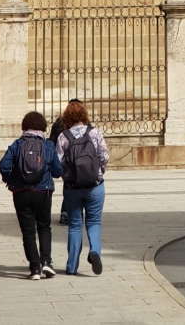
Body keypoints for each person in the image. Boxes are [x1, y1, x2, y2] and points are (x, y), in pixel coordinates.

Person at [0, 111, 64, 279]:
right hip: (43, 192)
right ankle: (47, 262)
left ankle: (34, 268)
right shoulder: (48, 145)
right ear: (43, 127)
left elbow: (4, 166)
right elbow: (57, 171)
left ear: (24, 126)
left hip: (21, 193)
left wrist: (13, 181)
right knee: (44, 226)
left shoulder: (17, 144)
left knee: (28, 231)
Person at [55, 102, 109, 275]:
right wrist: (99, 172)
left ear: (67, 118)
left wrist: (66, 177)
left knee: (75, 225)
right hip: (95, 185)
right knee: (94, 222)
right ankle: (94, 251)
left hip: (72, 187)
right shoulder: (94, 133)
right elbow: (104, 156)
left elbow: (59, 162)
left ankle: (71, 266)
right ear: (84, 116)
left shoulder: (63, 137)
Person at [50, 99, 82, 226]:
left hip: (66, 163)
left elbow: (52, 143)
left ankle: (66, 213)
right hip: (82, 162)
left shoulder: (58, 123)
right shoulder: (86, 125)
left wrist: (56, 164)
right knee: (79, 187)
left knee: (69, 186)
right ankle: (72, 213)